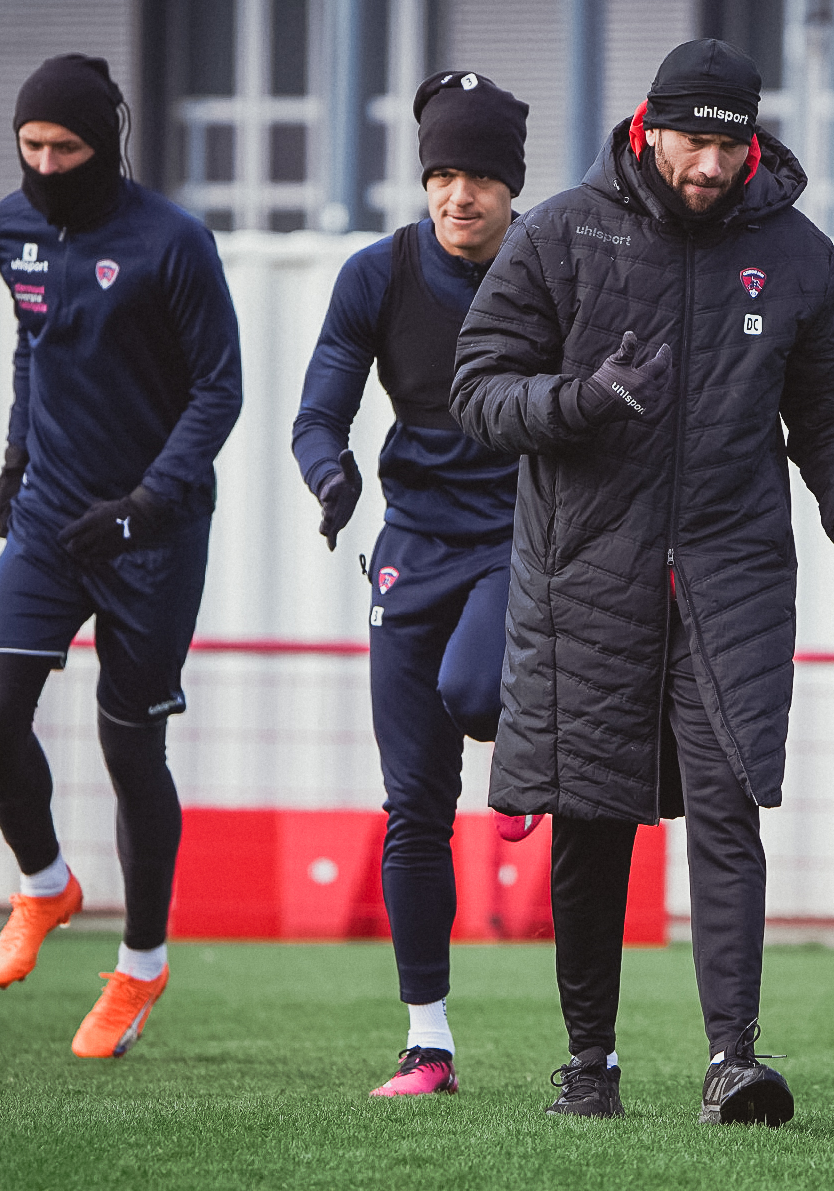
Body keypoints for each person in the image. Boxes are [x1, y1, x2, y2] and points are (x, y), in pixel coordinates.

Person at [452, 38, 834, 1125]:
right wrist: (579, 402)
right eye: (693, 141)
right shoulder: (561, 231)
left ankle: (732, 1061)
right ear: (650, 128)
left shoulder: (796, 257)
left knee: (732, 800)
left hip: (732, 569)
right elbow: (478, 391)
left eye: (728, 145)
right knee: (591, 815)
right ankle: (588, 1066)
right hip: (583, 569)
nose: (709, 165)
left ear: (753, 141)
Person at [0, 54, 242, 1059]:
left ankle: (138, 967)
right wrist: (15, 451)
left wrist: (145, 503)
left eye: (65, 148)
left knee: (132, 751)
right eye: (31, 147)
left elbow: (221, 390)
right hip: (49, 521)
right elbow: (33, 343)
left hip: (155, 533)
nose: (45, 165)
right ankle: (45, 887)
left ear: (106, 144)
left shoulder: (172, 242)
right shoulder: (12, 229)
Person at [291, 71, 528, 1098]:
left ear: (511, 188)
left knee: (478, 691)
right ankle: (428, 1045)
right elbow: (317, 415)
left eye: (478, 175)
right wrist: (330, 476)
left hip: (523, 540)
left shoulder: (551, 272)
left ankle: (532, 747)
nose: (457, 195)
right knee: (412, 810)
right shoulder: (375, 276)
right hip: (412, 548)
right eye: (441, 173)